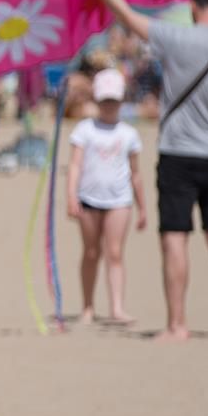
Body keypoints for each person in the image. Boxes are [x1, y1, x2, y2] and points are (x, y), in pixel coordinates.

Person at [82, 0, 208, 340]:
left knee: (175, 237)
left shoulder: (175, 37)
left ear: (193, 8)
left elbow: (125, 15)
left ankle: (177, 324)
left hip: (179, 151)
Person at [65, 69, 146, 324]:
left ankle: (117, 308)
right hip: (89, 198)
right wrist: (71, 197)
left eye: (113, 101)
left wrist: (143, 207)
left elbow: (136, 173)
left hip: (119, 200)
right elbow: (75, 165)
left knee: (115, 253)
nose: (109, 106)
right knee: (91, 252)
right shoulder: (85, 129)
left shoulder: (128, 133)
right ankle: (87, 306)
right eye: (105, 101)